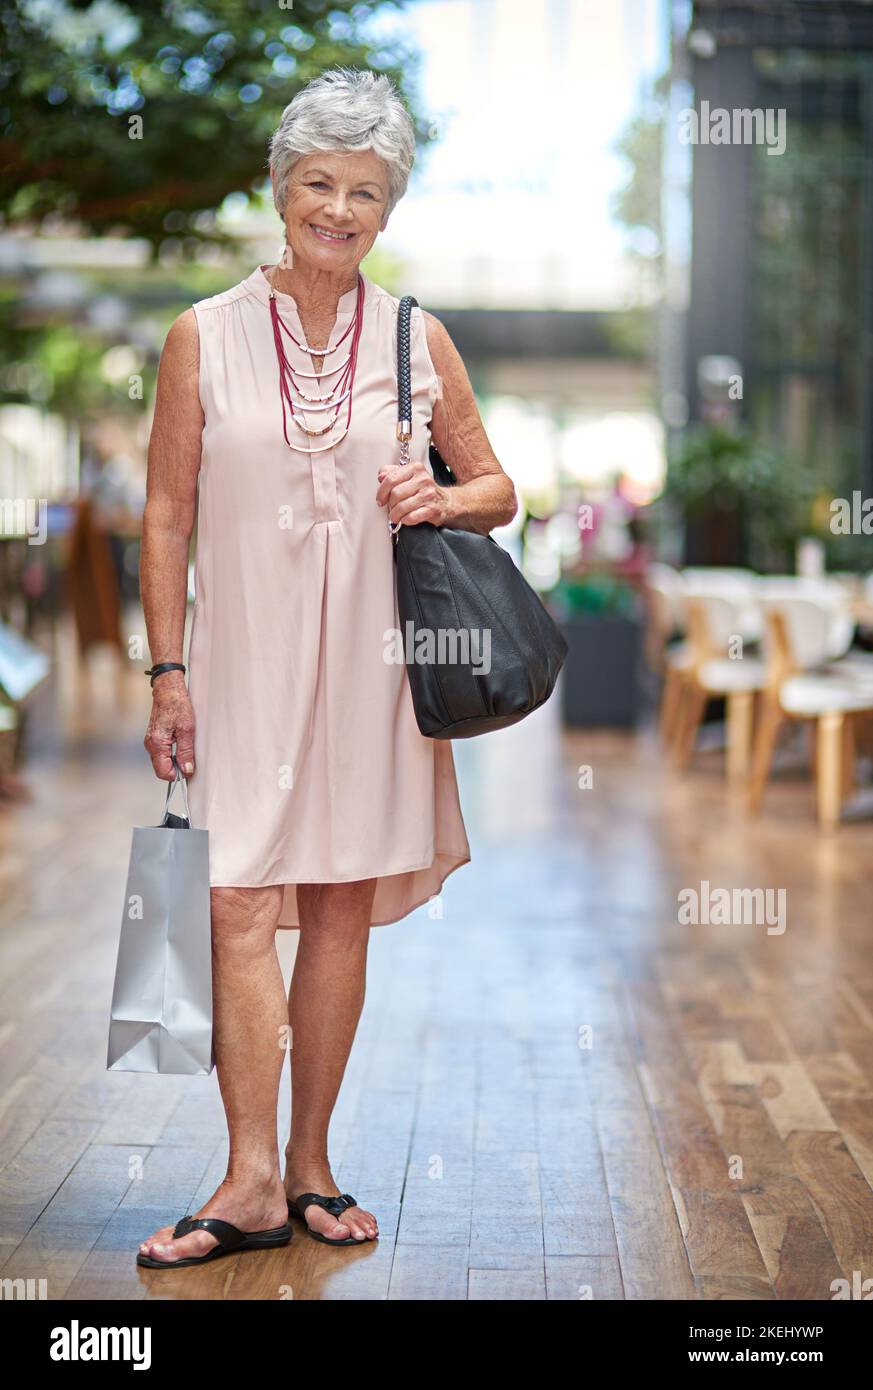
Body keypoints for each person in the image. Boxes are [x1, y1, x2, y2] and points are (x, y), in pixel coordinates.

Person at [136, 67, 517, 1265]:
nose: (339, 210)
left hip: (371, 670)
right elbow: (163, 515)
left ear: (388, 209)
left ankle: (309, 1167)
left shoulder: (418, 335)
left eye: (364, 191)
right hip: (240, 667)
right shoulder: (200, 335)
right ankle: (246, 1178)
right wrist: (165, 670)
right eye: (318, 183)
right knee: (234, 898)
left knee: (341, 902)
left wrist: (443, 498)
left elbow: (500, 489)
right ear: (280, 187)